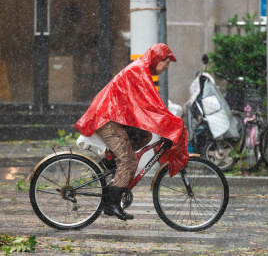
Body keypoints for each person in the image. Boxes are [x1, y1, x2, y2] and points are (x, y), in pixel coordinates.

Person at [74, 43, 189, 221]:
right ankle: (111, 204)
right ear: (157, 59)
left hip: (112, 116)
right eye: (166, 62)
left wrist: (168, 121)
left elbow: (148, 105)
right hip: (107, 119)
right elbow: (152, 106)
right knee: (129, 160)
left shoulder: (142, 70)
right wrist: (171, 123)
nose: (167, 66)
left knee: (145, 136)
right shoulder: (139, 71)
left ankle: (111, 164)